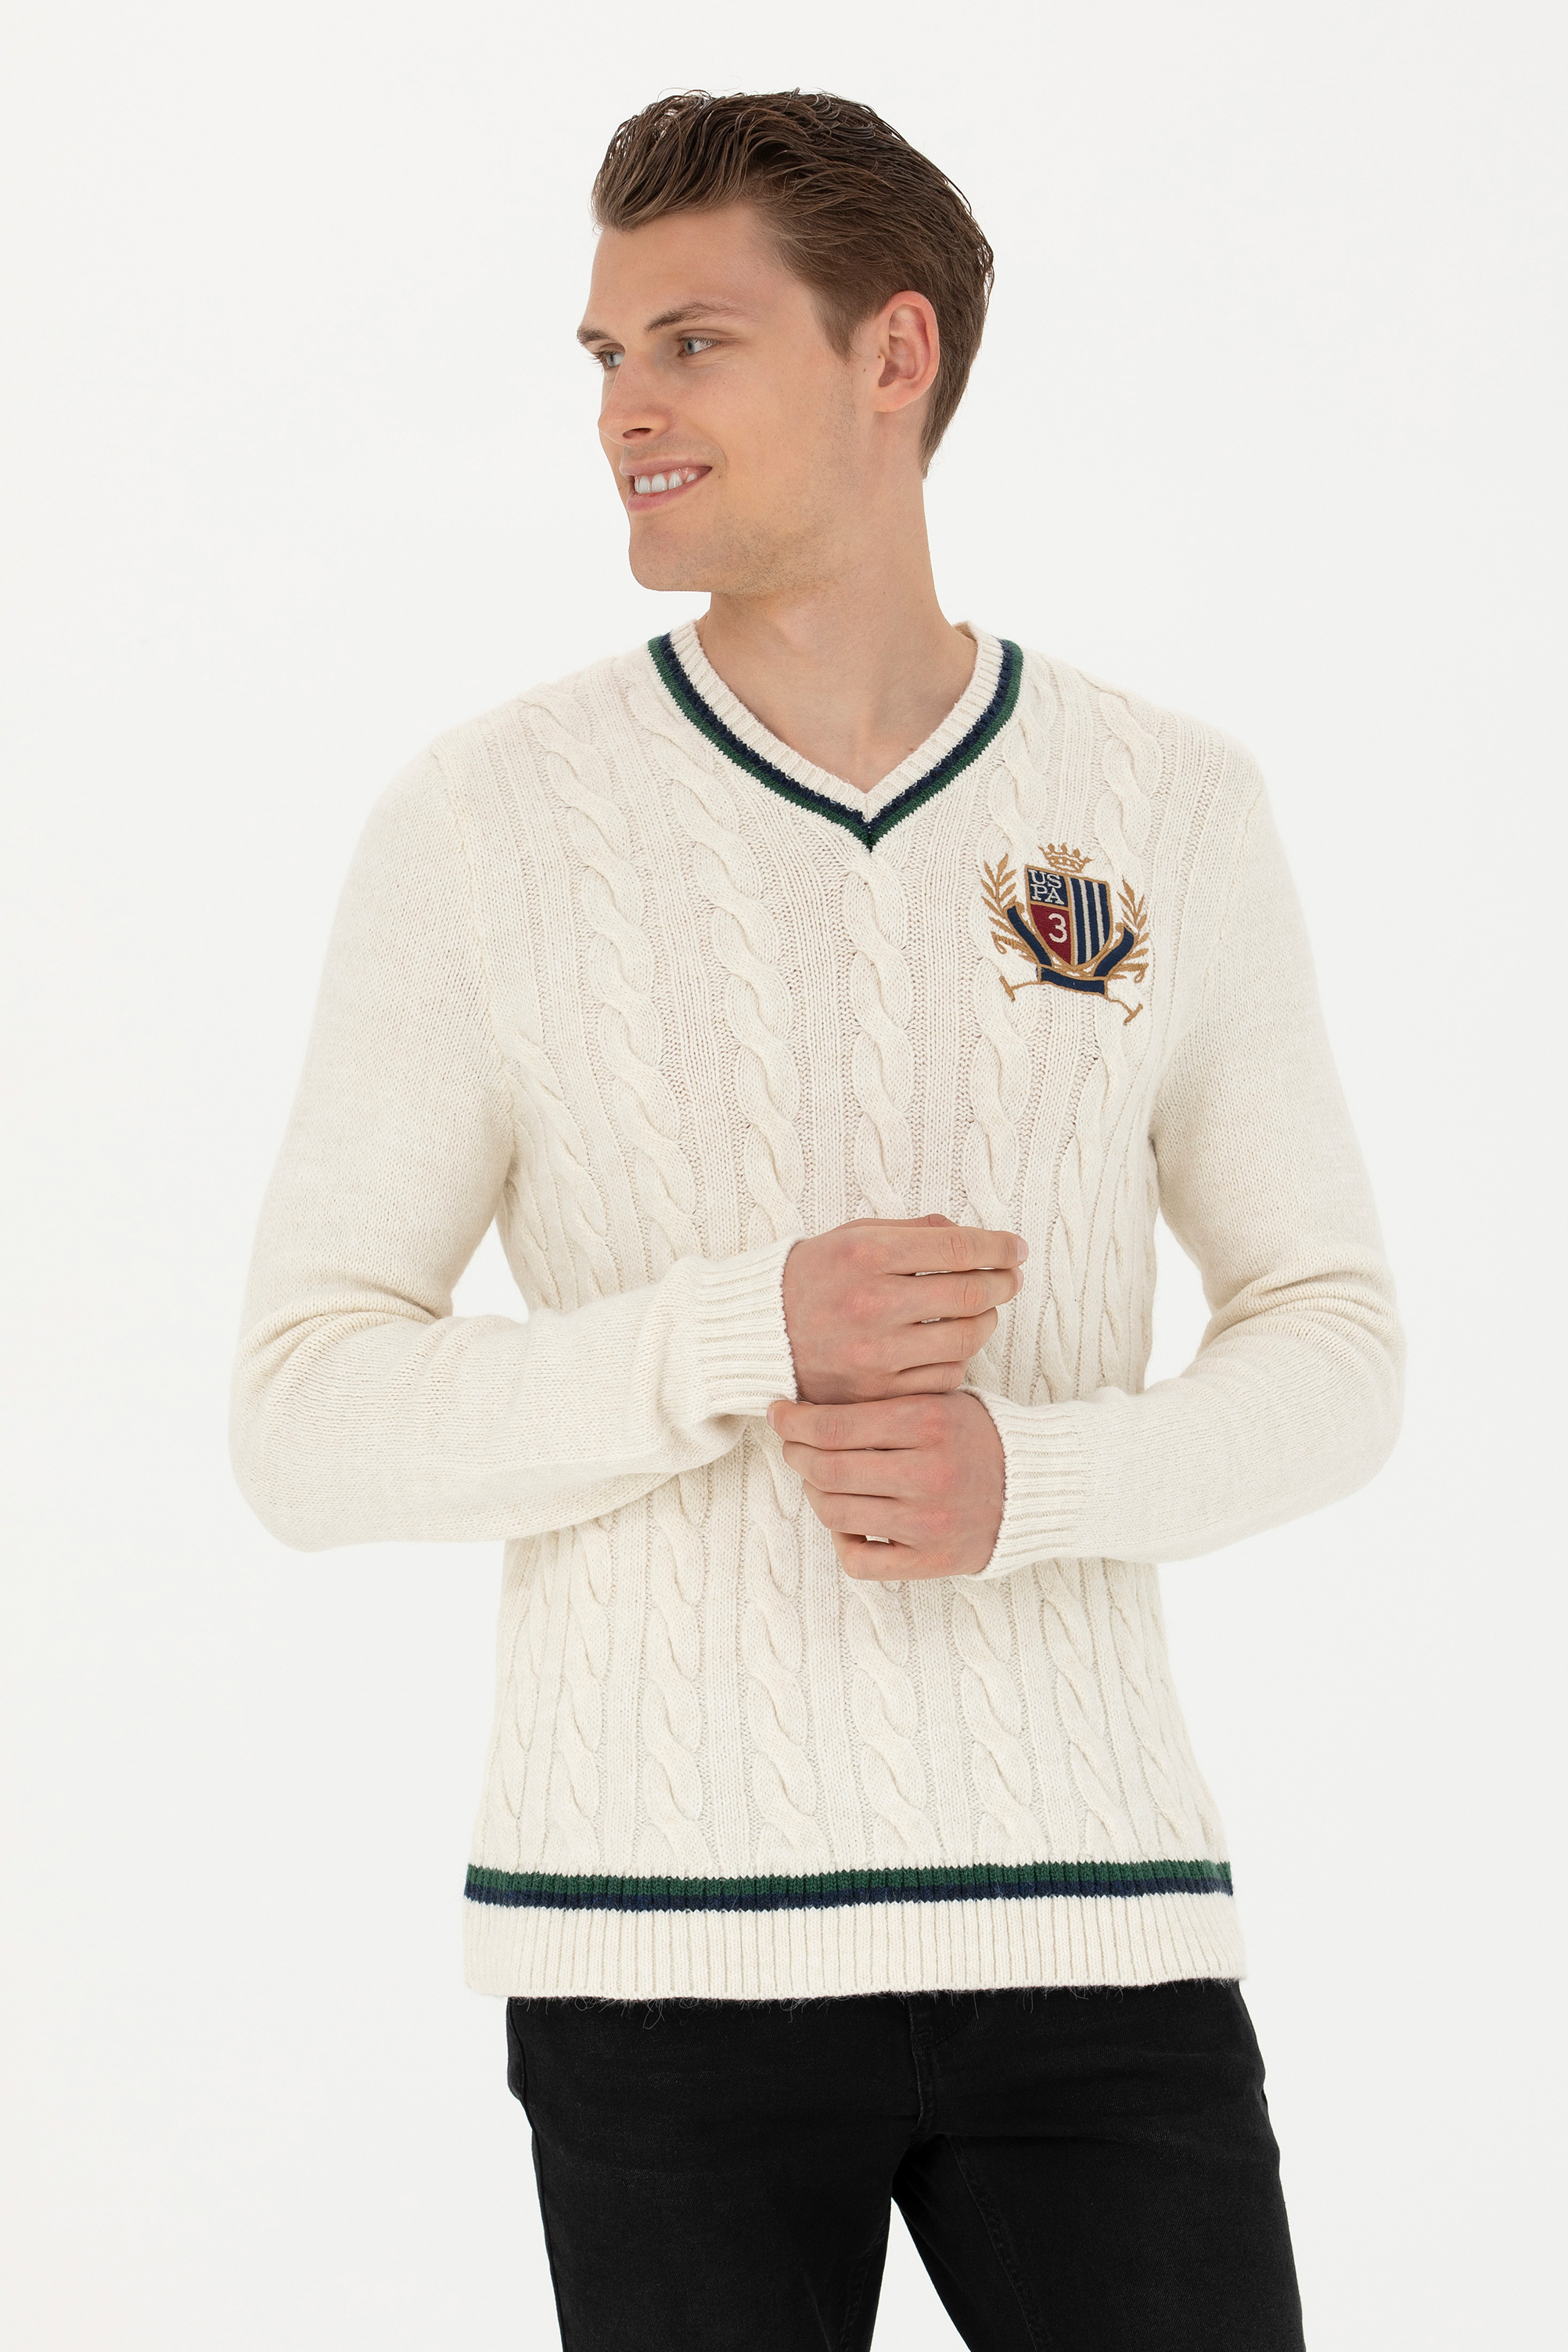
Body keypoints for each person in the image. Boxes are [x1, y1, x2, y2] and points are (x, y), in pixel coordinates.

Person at [232, 88, 1402, 2352]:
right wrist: (732, 1332)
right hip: (655, 1958)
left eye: (692, 342)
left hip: (1097, 1935)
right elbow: (302, 1415)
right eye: (604, 357)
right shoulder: (484, 825)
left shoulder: (1168, 805)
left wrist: (1031, 1485)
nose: (624, 412)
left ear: (894, 352)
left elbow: (1336, 1340)